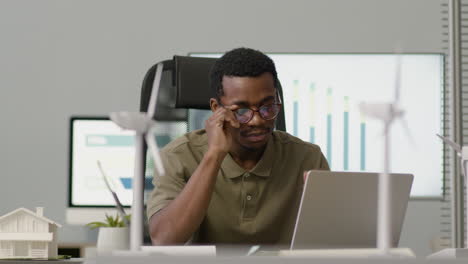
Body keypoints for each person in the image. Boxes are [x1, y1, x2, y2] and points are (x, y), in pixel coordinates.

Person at [147, 47, 329, 246]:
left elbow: (335, 240)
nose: (257, 120)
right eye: (241, 110)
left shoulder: (307, 158)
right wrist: (214, 155)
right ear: (217, 109)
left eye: (267, 107)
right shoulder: (178, 156)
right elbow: (164, 239)